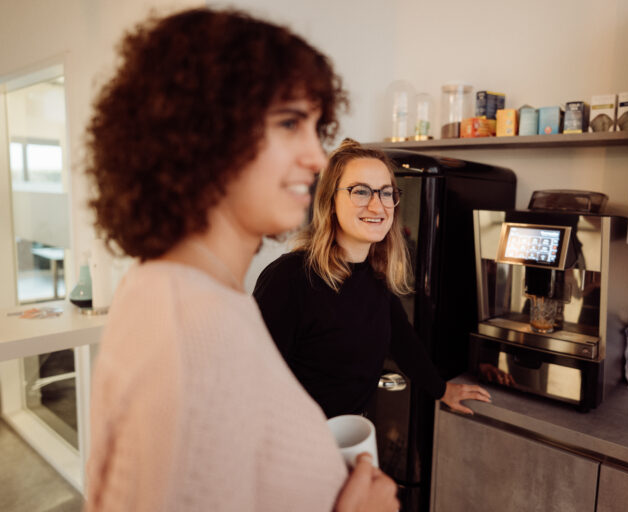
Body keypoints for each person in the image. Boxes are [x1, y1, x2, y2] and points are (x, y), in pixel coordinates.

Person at [84, 9, 398, 512]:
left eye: (315, 126)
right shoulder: (186, 326)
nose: (317, 159)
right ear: (203, 133)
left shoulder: (207, 297)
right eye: (290, 123)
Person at [253, 139, 491, 419]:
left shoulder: (375, 274)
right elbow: (254, 381)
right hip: (294, 443)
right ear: (330, 201)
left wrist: (441, 390)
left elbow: (403, 340)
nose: (378, 207)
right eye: (361, 191)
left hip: (351, 436)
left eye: (386, 193)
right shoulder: (290, 278)